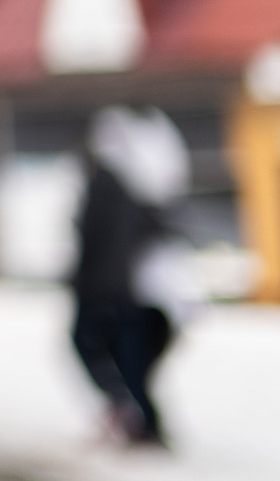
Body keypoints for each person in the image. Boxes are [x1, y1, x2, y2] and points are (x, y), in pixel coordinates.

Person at [70, 105, 190, 448]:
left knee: (125, 359)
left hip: (126, 294)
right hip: (131, 293)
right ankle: (134, 416)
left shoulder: (118, 188)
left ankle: (139, 420)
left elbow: (105, 244)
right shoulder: (133, 189)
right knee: (125, 360)